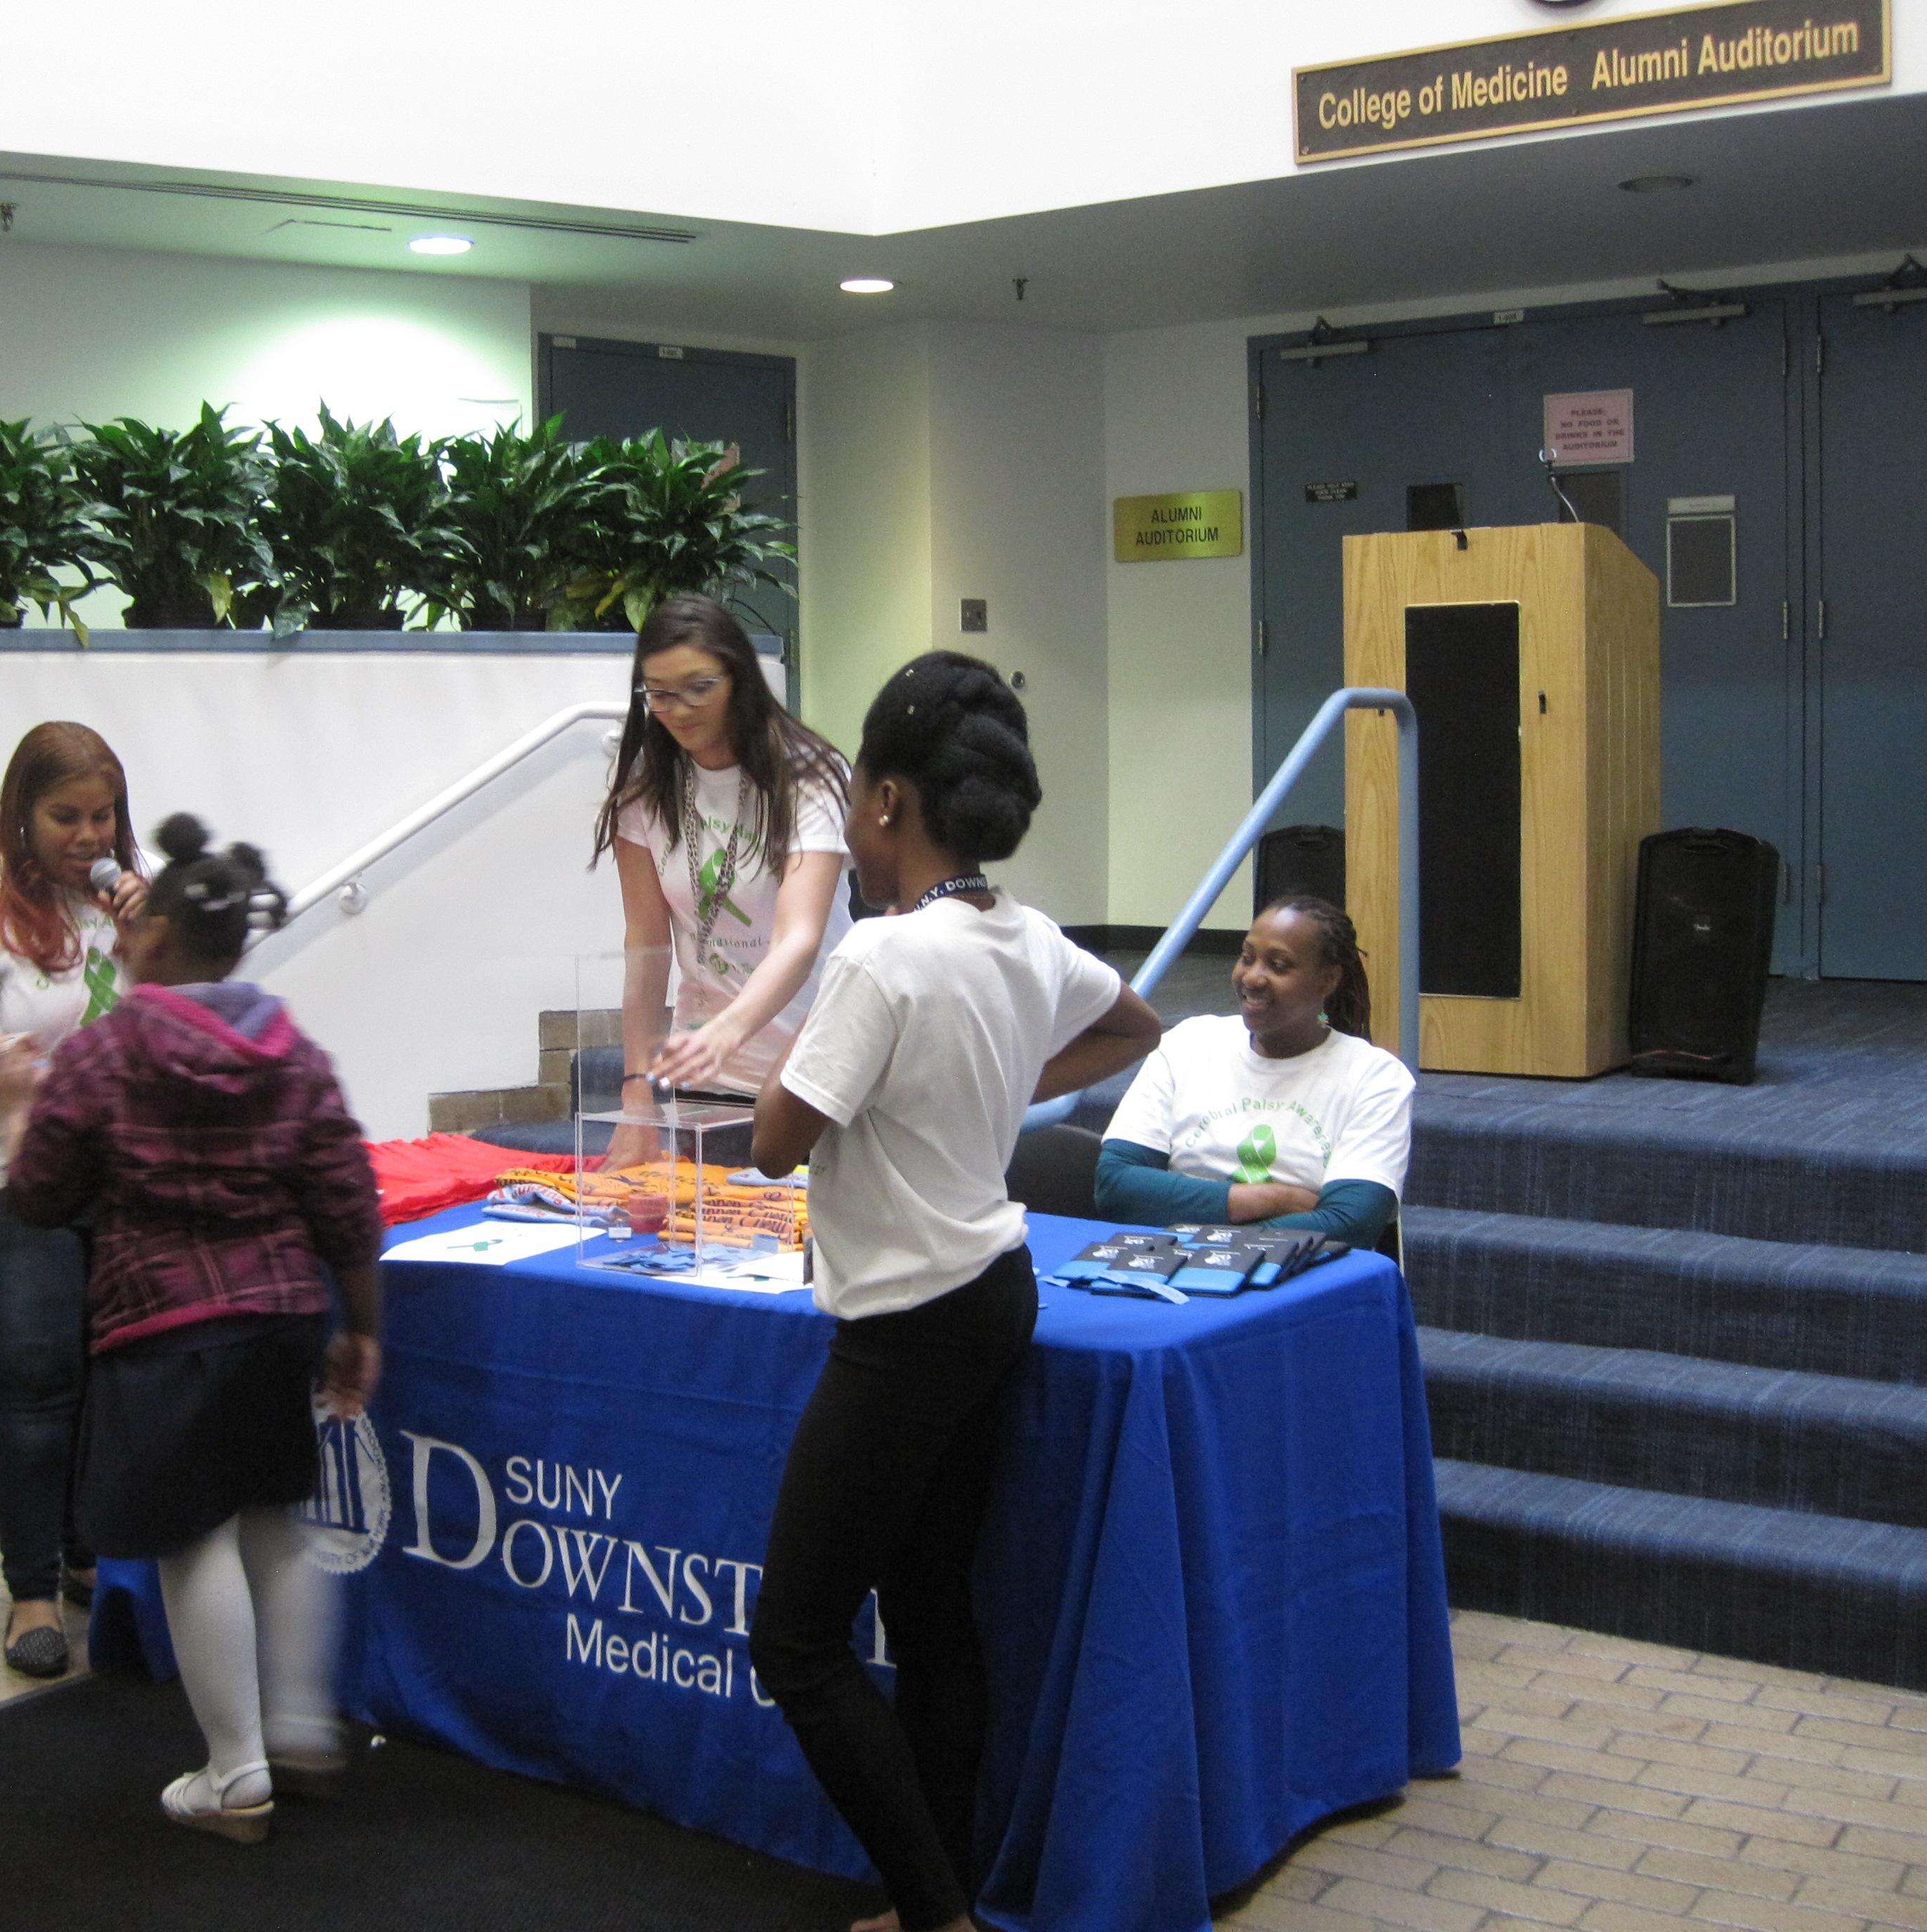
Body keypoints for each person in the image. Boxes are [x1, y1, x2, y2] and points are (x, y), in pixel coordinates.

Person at [748, 652, 1162, 1932]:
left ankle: (936, 1913)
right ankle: (937, 1897)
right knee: (931, 1614)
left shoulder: (881, 958)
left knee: (796, 1639)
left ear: (885, 801)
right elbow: (1135, 1024)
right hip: (992, 1292)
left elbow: (775, 1140)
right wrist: (992, 1080)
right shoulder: (1026, 936)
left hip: (907, 1324)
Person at [0, 816, 383, 1844]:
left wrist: (15, 1114)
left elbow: (39, 1195)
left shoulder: (105, 1055)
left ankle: (237, 1774)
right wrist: (363, 1327)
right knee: (277, 1521)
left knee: (192, 1538)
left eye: (132, 930)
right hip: (282, 1321)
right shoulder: (294, 1053)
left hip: (163, 1330)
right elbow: (348, 1198)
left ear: (157, 939)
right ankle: (300, 1732)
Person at [0, 721, 148, 1676]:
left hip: (105, 1167)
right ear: (22, 815)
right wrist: (1, 1063)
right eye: (65, 817)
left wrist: (153, 939)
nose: (88, 837)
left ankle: (87, 1552)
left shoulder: (121, 896)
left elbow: (170, 1011)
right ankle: (31, 1592)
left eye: (103, 816)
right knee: (35, 1374)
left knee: (104, 1366)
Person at [592, 595, 852, 1156]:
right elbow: (647, 944)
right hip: (707, 1079)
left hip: (813, 1070)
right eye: (660, 693)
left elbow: (799, 937)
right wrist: (637, 1093)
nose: (680, 709)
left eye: (699, 687)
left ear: (739, 678)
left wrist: (727, 1032)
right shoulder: (644, 785)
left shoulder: (807, 774)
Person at [1092, 895, 1412, 1248]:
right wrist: (1273, 1198)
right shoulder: (1187, 1043)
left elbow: (1349, 1225)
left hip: (1298, 1273)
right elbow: (1115, 1187)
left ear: (1327, 980)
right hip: (1168, 1262)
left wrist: (1189, 1218)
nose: (1253, 977)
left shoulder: (1375, 1078)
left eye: (1279, 966)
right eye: (1247, 958)